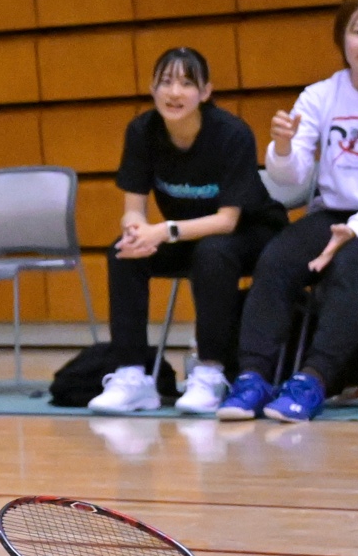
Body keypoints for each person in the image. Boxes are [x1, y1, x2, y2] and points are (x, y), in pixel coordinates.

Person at [217, 0, 358, 422]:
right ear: (342, 39)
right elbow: (291, 177)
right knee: (277, 258)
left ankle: (313, 379)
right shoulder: (319, 95)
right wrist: (282, 148)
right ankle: (252, 378)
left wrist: (356, 229)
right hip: (333, 212)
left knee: (351, 266)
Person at [87, 46, 285, 414]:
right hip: (186, 235)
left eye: (186, 83)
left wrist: (162, 231)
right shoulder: (142, 131)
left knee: (213, 252)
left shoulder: (231, 133)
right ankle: (131, 375)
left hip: (251, 234)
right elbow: (133, 209)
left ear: (205, 92)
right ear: (152, 89)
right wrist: (135, 231)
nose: (174, 92)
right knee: (123, 252)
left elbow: (226, 221)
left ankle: (210, 372)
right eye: (165, 82)